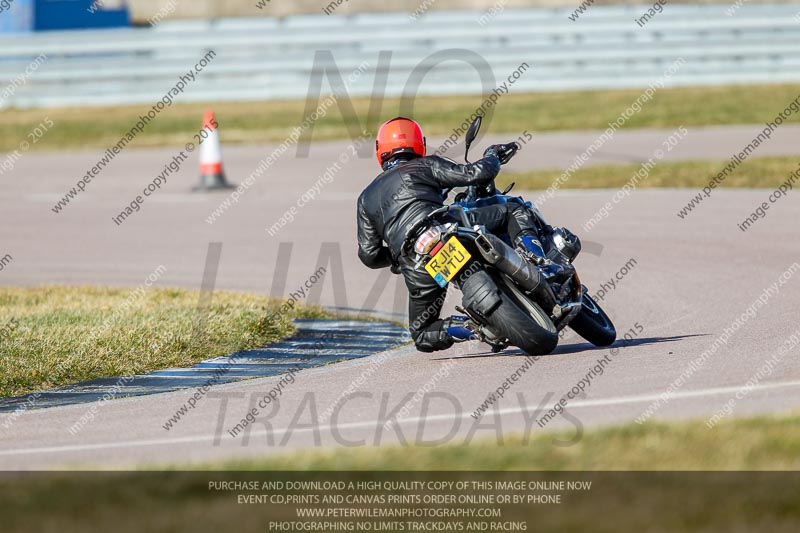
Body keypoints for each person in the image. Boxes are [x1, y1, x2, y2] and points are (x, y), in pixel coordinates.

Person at [357, 117, 559, 352]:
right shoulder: (426, 165)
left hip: (416, 260)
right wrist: (492, 154)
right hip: (446, 229)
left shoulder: (365, 198)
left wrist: (397, 258)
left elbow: (369, 255)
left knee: (422, 334)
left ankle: (471, 327)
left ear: (380, 150)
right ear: (419, 144)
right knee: (515, 209)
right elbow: (477, 173)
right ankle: (540, 261)